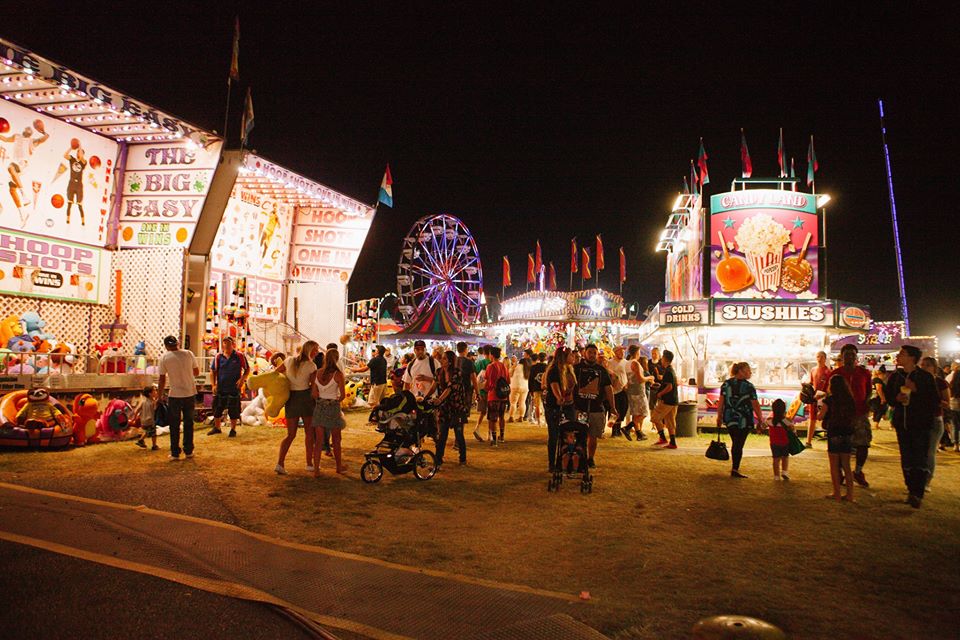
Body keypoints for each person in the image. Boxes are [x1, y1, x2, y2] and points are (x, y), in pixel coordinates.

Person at [885, 345, 939, 508]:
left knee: (919, 457)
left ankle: (918, 492)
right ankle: (910, 489)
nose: (899, 356)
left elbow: (934, 401)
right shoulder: (896, 376)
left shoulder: (924, 377)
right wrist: (896, 398)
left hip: (920, 424)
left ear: (912, 358)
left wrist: (916, 391)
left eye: (902, 354)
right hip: (902, 423)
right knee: (906, 457)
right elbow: (889, 397)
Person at [828, 344, 873, 487]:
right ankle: (840, 473)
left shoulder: (864, 373)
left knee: (863, 443)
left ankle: (858, 471)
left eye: (852, 354)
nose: (850, 357)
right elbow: (828, 392)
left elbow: (868, 391)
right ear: (842, 356)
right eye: (847, 354)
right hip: (841, 416)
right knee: (841, 445)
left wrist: (865, 405)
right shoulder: (836, 373)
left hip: (859, 413)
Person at [275, 340, 320, 475]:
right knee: (309, 434)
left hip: (292, 399)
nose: (317, 352)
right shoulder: (312, 366)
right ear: (310, 350)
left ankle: (280, 463)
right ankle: (309, 463)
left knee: (290, 434)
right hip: (306, 399)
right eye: (316, 350)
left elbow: (276, 373)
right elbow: (313, 387)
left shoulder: (289, 361)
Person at [715, 362, 764, 477]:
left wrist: (719, 416)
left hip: (730, 417)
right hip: (744, 418)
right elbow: (755, 404)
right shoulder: (749, 386)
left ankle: (735, 467)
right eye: (748, 370)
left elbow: (721, 401)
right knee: (739, 443)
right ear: (741, 371)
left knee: (736, 441)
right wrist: (760, 418)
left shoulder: (726, 384)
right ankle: (735, 468)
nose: (750, 372)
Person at [157, 335, 200, 461]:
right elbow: (196, 372)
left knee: (174, 424)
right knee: (188, 423)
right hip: (190, 393)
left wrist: (159, 396)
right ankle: (189, 451)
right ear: (177, 343)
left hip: (175, 395)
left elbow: (162, 379)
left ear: (166, 346)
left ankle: (175, 453)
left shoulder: (164, 357)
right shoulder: (188, 354)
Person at [574, 344, 617, 468]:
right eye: (590, 352)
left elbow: (608, 389)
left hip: (596, 409)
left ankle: (590, 458)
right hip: (580, 408)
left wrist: (613, 407)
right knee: (580, 433)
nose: (592, 355)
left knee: (593, 435)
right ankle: (580, 456)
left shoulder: (602, 370)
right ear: (585, 353)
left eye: (594, 352)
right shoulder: (576, 368)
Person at [821, 375, 857, 502]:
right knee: (846, 465)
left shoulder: (830, 400)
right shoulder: (850, 399)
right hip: (847, 432)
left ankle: (836, 493)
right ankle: (850, 494)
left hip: (834, 432)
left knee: (834, 465)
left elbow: (821, 416)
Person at [312, 349, 347, 476]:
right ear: (337, 359)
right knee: (336, 439)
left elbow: (314, 394)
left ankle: (316, 469)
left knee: (319, 441)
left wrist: (321, 400)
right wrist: (335, 400)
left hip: (320, 406)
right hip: (333, 407)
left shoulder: (317, 373)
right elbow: (342, 395)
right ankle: (338, 467)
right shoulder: (338, 374)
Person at [208, 336, 250, 438]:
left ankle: (233, 429)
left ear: (233, 344)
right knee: (217, 408)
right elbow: (212, 371)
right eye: (224, 343)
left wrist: (242, 379)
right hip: (221, 387)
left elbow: (247, 369)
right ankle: (217, 428)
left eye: (228, 343)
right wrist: (213, 384)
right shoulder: (218, 357)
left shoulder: (239, 356)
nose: (226, 344)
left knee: (233, 409)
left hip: (234, 387)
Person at [433, 350, 468, 469]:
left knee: (459, 435)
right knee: (442, 435)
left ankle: (462, 458)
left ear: (449, 361)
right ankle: (438, 460)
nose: (441, 360)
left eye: (443, 358)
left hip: (456, 407)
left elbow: (449, 389)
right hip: (444, 408)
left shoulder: (457, 373)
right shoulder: (439, 372)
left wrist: (439, 400)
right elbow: (434, 386)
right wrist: (425, 397)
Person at [544, 346, 576, 471]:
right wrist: (559, 397)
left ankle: (567, 461)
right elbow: (554, 386)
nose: (573, 358)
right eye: (571, 355)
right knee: (554, 435)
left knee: (569, 434)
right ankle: (552, 463)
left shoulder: (570, 370)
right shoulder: (554, 370)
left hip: (570, 405)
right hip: (554, 407)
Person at [919, 356, 948, 490]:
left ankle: (926, 481)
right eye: (923, 365)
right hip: (919, 420)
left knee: (929, 452)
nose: (924, 367)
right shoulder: (917, 381)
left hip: (934, 420)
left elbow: (946, 403)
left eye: (928, 365)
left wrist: (933, 401)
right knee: (919, 452)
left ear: (934, 368)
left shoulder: (940, 382)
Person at [651, 350, 680, 449]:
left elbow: (669, 387)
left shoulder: (668, 371)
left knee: (654, 417)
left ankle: (663, 438)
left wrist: (660, 393)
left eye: (662, 357)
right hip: (674, 400)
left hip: (667, 400)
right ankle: (672, 442)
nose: (661, 359)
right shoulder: (671, 370)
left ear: (665, 359)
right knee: (670, 421)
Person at [624, 346, 652, 441]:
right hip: (638, 391)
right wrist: (649, 378)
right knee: (644, 413)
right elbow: (640, 379)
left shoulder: (627, 363)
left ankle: (639, 433)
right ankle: (627, 428)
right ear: (637, 352)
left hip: (631, 391)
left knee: (636, 413)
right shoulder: (635, 363)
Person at [805, 351, 832, 447]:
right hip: (814, 398)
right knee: (812, 418)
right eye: (817, 357)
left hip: (824, 398)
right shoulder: (813, 370)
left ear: (825, 358)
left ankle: (831, 441)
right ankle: (808, 441)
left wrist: (824, 394)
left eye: (821, 357)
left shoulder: (828, 372)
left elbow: (830, 388)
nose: (819, 359)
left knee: (827, 419)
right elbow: (811, 382)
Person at [484, 346, 509, 445]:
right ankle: (502, 437)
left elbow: (488, 382)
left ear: (492, 355)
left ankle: (494, 440)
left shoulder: (490, 366)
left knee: (493, 418)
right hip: (503, 395)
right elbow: (508, 380)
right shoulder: (504, 366)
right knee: (501, 416)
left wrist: (484, 389)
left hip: (493, 395)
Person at [765, 399, 794, 480]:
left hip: (774, 443)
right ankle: (784, 472)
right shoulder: (786, 420)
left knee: (776, 460)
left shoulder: (770, 420)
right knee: (785, 457)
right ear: (784, 409)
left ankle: (776, 476)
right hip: (785, 442)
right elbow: (792, 429)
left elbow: (762, 426)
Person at [606, 346, 629, 438]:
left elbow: (627, 374)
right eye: (620, 351)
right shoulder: (610, 362)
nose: (622, 353)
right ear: (615, 352)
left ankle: (618, 428)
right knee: (614, 410)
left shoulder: (626, 363)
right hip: (613, 390)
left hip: (623, 389)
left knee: (623, 408)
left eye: (623, 352)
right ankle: (614, 430)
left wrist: (627, 384)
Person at [133, 385, 159, 450]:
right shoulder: (152, 402)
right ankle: (154, 445)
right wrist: (157, 400)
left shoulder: (143, 401)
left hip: (143, 421)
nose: (156, 392)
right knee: (153, 433)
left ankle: (141, 440)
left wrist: (135, 417)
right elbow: (155, 409)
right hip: (150, 420)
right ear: (150, 394)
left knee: (147, 431)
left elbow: (137, 410)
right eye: (155, 391)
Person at [472, 345, 490, 440]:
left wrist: (476, 392)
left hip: (481, 391)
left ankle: (477, 427)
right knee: (491, 413)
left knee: (483, 412)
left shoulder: (478, 363)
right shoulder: (492, 363)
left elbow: (475, 377)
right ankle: (490, 434)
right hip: (490, 391)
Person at [508, 354, 530, 423]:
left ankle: (511, 417)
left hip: (515, 386)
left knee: (513, 403)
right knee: (522, 402)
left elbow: (509, 373)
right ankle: (521, 417)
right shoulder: (528, 368)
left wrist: (512, 367)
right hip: (525, 387)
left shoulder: (517, 366)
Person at [528, 353, 547, 426]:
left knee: (537, 406)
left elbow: (530, 379)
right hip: (545, 388)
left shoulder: (534, 367)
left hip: (536, 388)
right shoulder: (547, 367)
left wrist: (530, 390)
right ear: (545, 358)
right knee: (546, 406)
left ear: (538, 358)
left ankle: (538, 421)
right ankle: (545, 421)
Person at [870, 365, 888, 430]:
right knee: (880, 411)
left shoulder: (873, 380)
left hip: (873, 398)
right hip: (877, 398)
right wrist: (882, 398)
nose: (885, 376)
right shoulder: (878, 380)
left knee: (876, 411)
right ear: (882, 374)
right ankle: (876, 424)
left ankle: (875, 424)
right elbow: (879, 388)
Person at [647, 346, 663, 414]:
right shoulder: (648, 362)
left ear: (658, 354)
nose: (653, 355)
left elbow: (665, 374)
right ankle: (653, 420)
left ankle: (659, 419)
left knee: (660, 404)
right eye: (652, 353)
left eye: (655, 354)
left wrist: (662, 376)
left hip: (660, 387)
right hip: (652, 387)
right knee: (652, 404)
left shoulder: (661, 363)